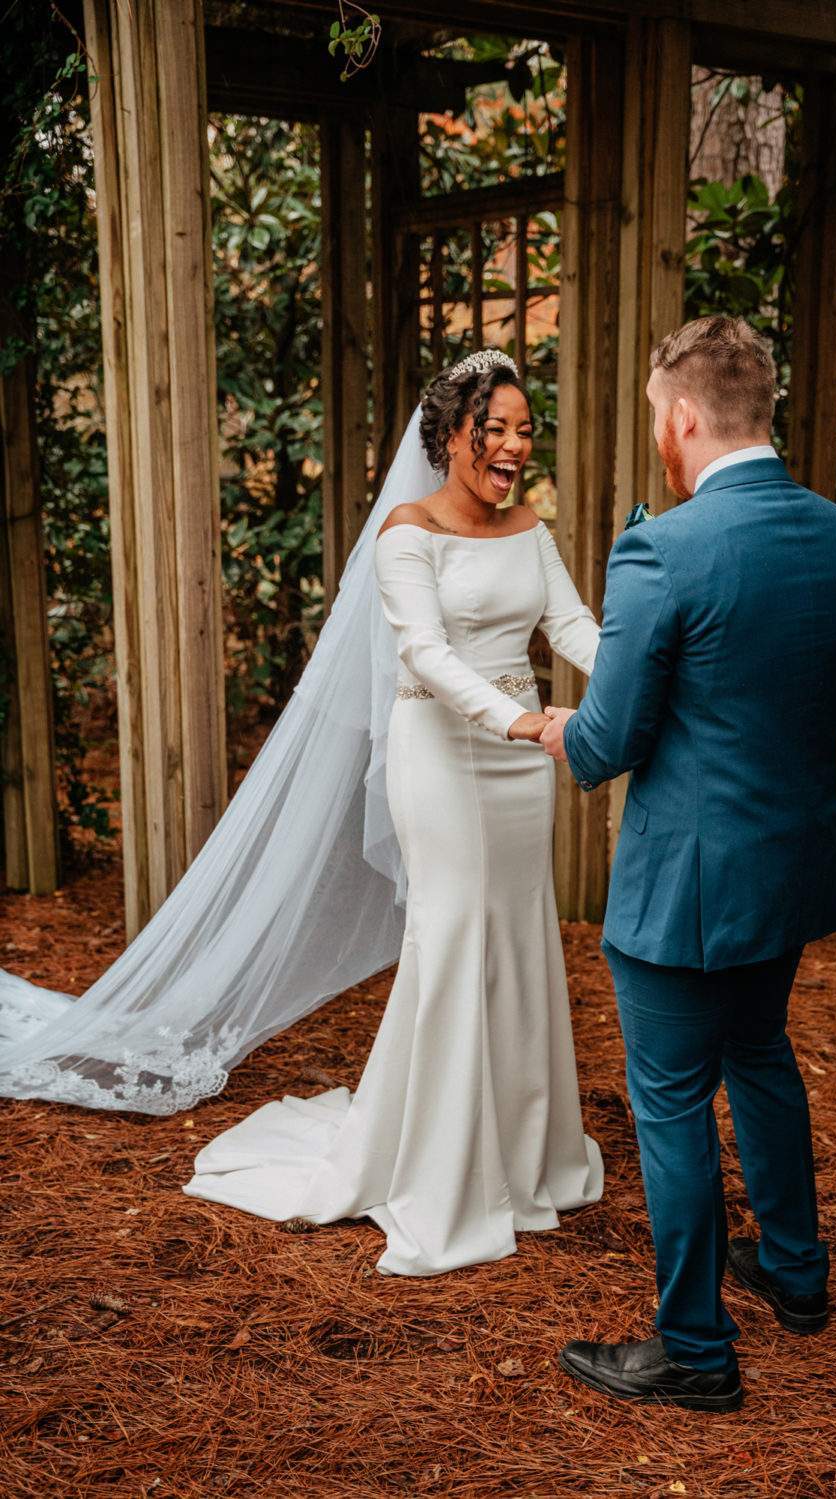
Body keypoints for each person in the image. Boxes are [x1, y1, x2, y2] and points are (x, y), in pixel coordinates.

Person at [183, 349, 604, 1273]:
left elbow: (571, 625)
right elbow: (424, 653)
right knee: (452, 936)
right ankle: (442, 1170)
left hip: (524, 768)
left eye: (524, 430)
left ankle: (523, 1150)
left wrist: (632, 681)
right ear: (450, 436)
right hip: (443, 756)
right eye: (494, 429)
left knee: (519, 935)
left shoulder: (529, 528)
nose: (513, 447)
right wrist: (519, 718)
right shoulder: (405, 533)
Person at [540, 315, 836, 1412]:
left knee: (671, 1098)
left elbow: (607, 740)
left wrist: (553, 726)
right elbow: (828, 706)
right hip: (788, 867)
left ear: (683, 416)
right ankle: (794, 1270)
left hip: (684, 887)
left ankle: (694, 1347)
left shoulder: (664, 549)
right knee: (760, 1050)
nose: (659, 433)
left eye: (656, 415)